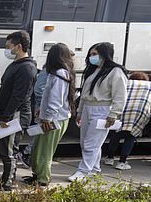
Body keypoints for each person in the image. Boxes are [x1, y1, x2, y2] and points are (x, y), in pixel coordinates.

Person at [68, 42, 127, 181]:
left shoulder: (115, 72)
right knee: (88, 143)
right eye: (90, 54)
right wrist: (80, 112)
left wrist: (113, 114)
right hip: (88, 107)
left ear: (104, 54)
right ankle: (94, 168)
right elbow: (84, 95)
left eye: (94, 54)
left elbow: (120, 95)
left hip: (103, 109)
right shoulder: (94, 71)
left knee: (91, 143)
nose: (91, 57)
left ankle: (83, 171)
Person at [0, 30, 37, 191]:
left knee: (9, 150)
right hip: (8, 114)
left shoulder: (26, 68)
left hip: (15, 116)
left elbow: (18, 96)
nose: (7, 49)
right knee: (5, 148)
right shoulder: (17, 65)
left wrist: (7, 117)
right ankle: (7, 179)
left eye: (8, 46)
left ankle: (7, 183)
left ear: (18, 46)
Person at [24, 43, 76, 186]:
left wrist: (47, 117)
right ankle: (37, 175)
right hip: (53, 117)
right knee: (39, 148)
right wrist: (42, 110)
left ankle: (42, 179)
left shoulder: (59, 73)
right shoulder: (63, 72)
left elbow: (55, 98)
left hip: (54, 119)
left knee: (44, 150)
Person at [104, 71, 151, 170]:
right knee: (130, 136)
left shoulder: (127, 83)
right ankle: (122, 162)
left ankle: (109, 158)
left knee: (116, 135)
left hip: (122, 110)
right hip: (139, 111)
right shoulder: (148, 86)